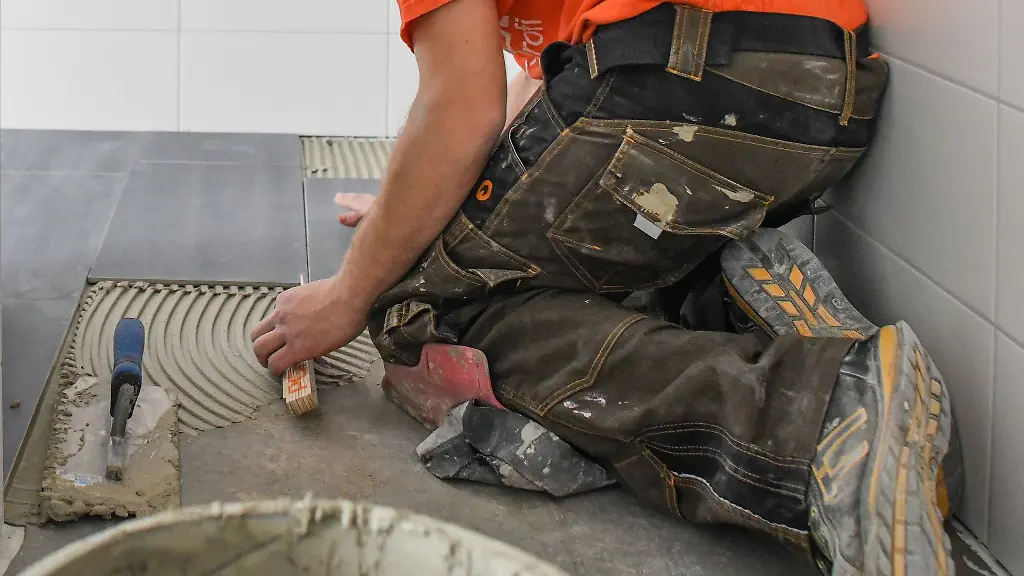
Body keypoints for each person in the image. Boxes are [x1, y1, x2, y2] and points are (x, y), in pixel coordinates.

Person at [251, 1, 961, 574]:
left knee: (423, 311)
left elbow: (461, 110)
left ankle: (814, 416)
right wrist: (417, 207)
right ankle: (719, 296)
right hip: (821, 99)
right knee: (551, 252)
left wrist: (350, 294)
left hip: (676, 82)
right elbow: (535, 107)